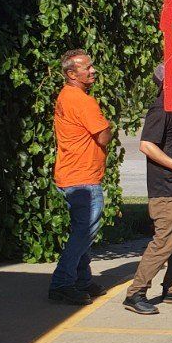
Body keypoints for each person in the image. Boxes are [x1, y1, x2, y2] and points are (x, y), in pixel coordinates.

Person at [124, 64, 172, 315]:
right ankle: (135, 293)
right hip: (165, 189)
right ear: (169, 81)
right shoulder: (161, 108)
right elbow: (147, 145)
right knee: (164, 242)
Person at [50, 49, 113, 305]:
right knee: (84, 232)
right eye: (87, 68)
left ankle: (82, 279)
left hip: (72, 175)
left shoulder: (66, 95)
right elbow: (103, 135)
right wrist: (108, 127)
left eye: (91, 66)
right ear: (71, 74)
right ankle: (62, 283)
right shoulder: (81, 100)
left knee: (82, 230)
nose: (93, 70)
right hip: (82, 178)